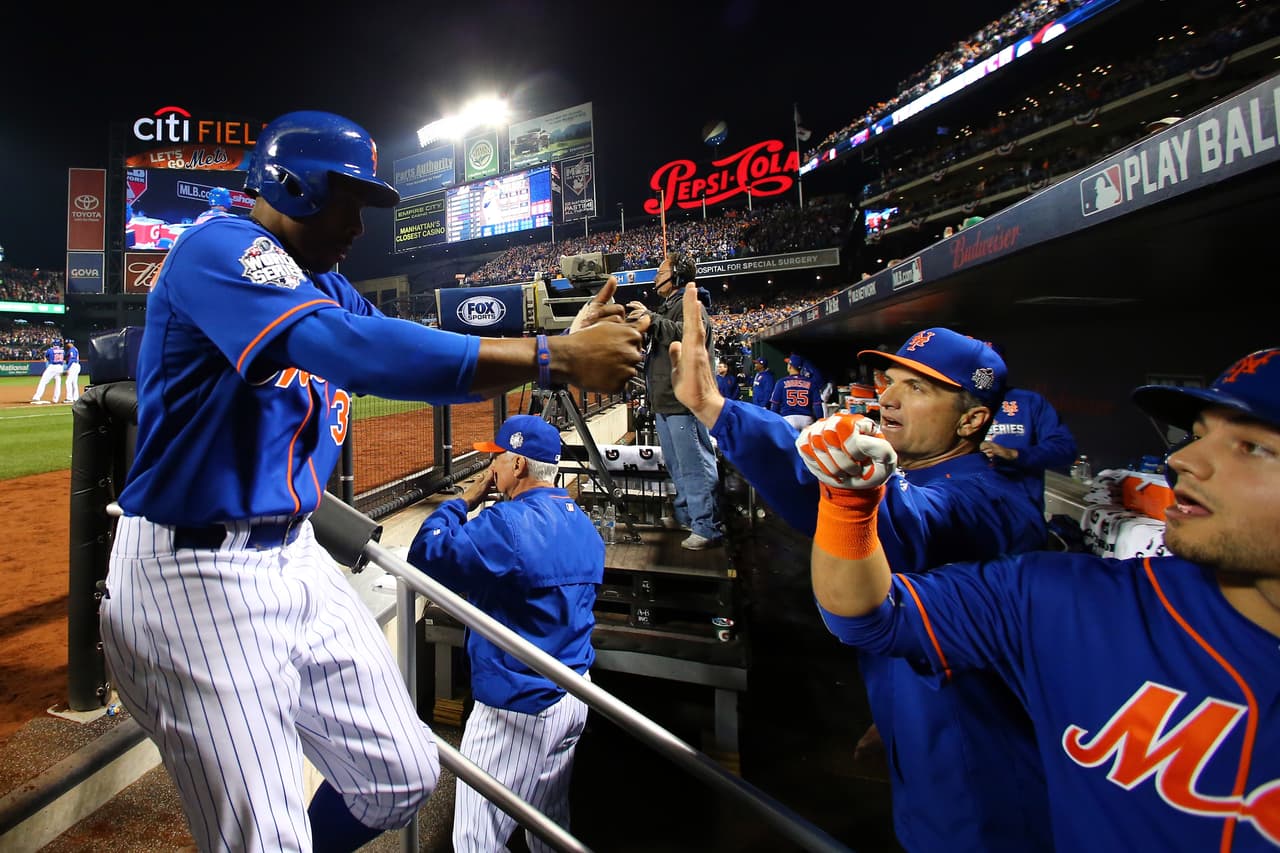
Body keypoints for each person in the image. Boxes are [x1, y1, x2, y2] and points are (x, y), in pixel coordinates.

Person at [97, 110, 644, 853]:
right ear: (288, 185)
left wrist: (569, 334)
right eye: (345, 198)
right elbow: (346, 348)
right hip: (195, 574)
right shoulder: (219, 247)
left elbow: (408, 348)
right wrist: (551, 358)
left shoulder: (324, 281)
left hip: (291, 554)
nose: (359, 222)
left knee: (403, 771)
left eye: (368, 204)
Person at [794, 345, 1280, 851]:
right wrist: (848, 503)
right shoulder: (1069, 596)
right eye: (1199, 435)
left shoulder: (992, 490)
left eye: (1252, 447)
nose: (1183, 460)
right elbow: (871, 616)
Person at [668, 284, 1051, 853]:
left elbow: (904, 522)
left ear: (971, 422)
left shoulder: (994, 503)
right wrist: (894, 712)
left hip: (985, 789)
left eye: (917, 388)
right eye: (890, 381)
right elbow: (822, 498)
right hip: (926, 739)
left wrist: (855, 485)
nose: (889, 398)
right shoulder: (929, 475)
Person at [406, 414, 600, 852]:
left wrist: (464, 500)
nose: (491, 469)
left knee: (477, 836)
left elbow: (427, 552)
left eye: (497, 459)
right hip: (573, 693)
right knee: (549, 824)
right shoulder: (581, 522)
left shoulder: (507, 524)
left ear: (519, 466)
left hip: (518, 706)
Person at [625, 251, 722, 550]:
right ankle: (687, 517)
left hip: (685, 401)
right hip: (665, 399)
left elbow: (687, 334)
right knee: (678, 465)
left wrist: (651, 319)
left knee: (695, 464)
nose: (655, 277)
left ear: (678, 275)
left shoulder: (691, 305)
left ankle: (707, 527)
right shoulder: (669, 306)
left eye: (660, 271)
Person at [980, 342, 1078, 516]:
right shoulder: (951, 405)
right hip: (969, 516)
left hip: (1021, 517)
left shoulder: (1029, 402)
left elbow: (1065, 449)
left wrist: (1014, 454)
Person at [769, 358, 822, 430]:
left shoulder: (781, 382)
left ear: (790, 366)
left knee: (789, 441)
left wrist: (773, 421)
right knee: (804, 441)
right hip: (806, 419)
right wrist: (820, 421)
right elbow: (817, 405)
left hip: (788, 418)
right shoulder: (811, 383)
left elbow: (775, 405)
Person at [30, 339, 64, 404]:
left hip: (53, 366)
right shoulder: (62, 351)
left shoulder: (50, 350)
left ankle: (37, 396)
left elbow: (47, 356)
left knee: (43, 381)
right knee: (58, 383)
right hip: (60, 367)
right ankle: (56, 399)